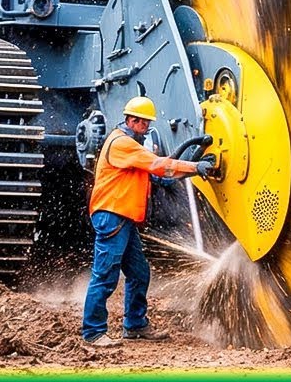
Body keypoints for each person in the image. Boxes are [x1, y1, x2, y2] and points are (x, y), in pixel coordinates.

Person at [81, 95, 212, 347]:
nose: (147, 129)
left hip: (124, 218)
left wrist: (189, 167)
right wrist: (197, 167)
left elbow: (157, 175)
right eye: (143, 124)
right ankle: (93, 332)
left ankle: (135, 325)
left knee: (139, 273)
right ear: (131, 120)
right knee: (105, 276)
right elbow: (159, 166)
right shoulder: (122, 144)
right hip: (112, 215)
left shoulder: (132, 147)